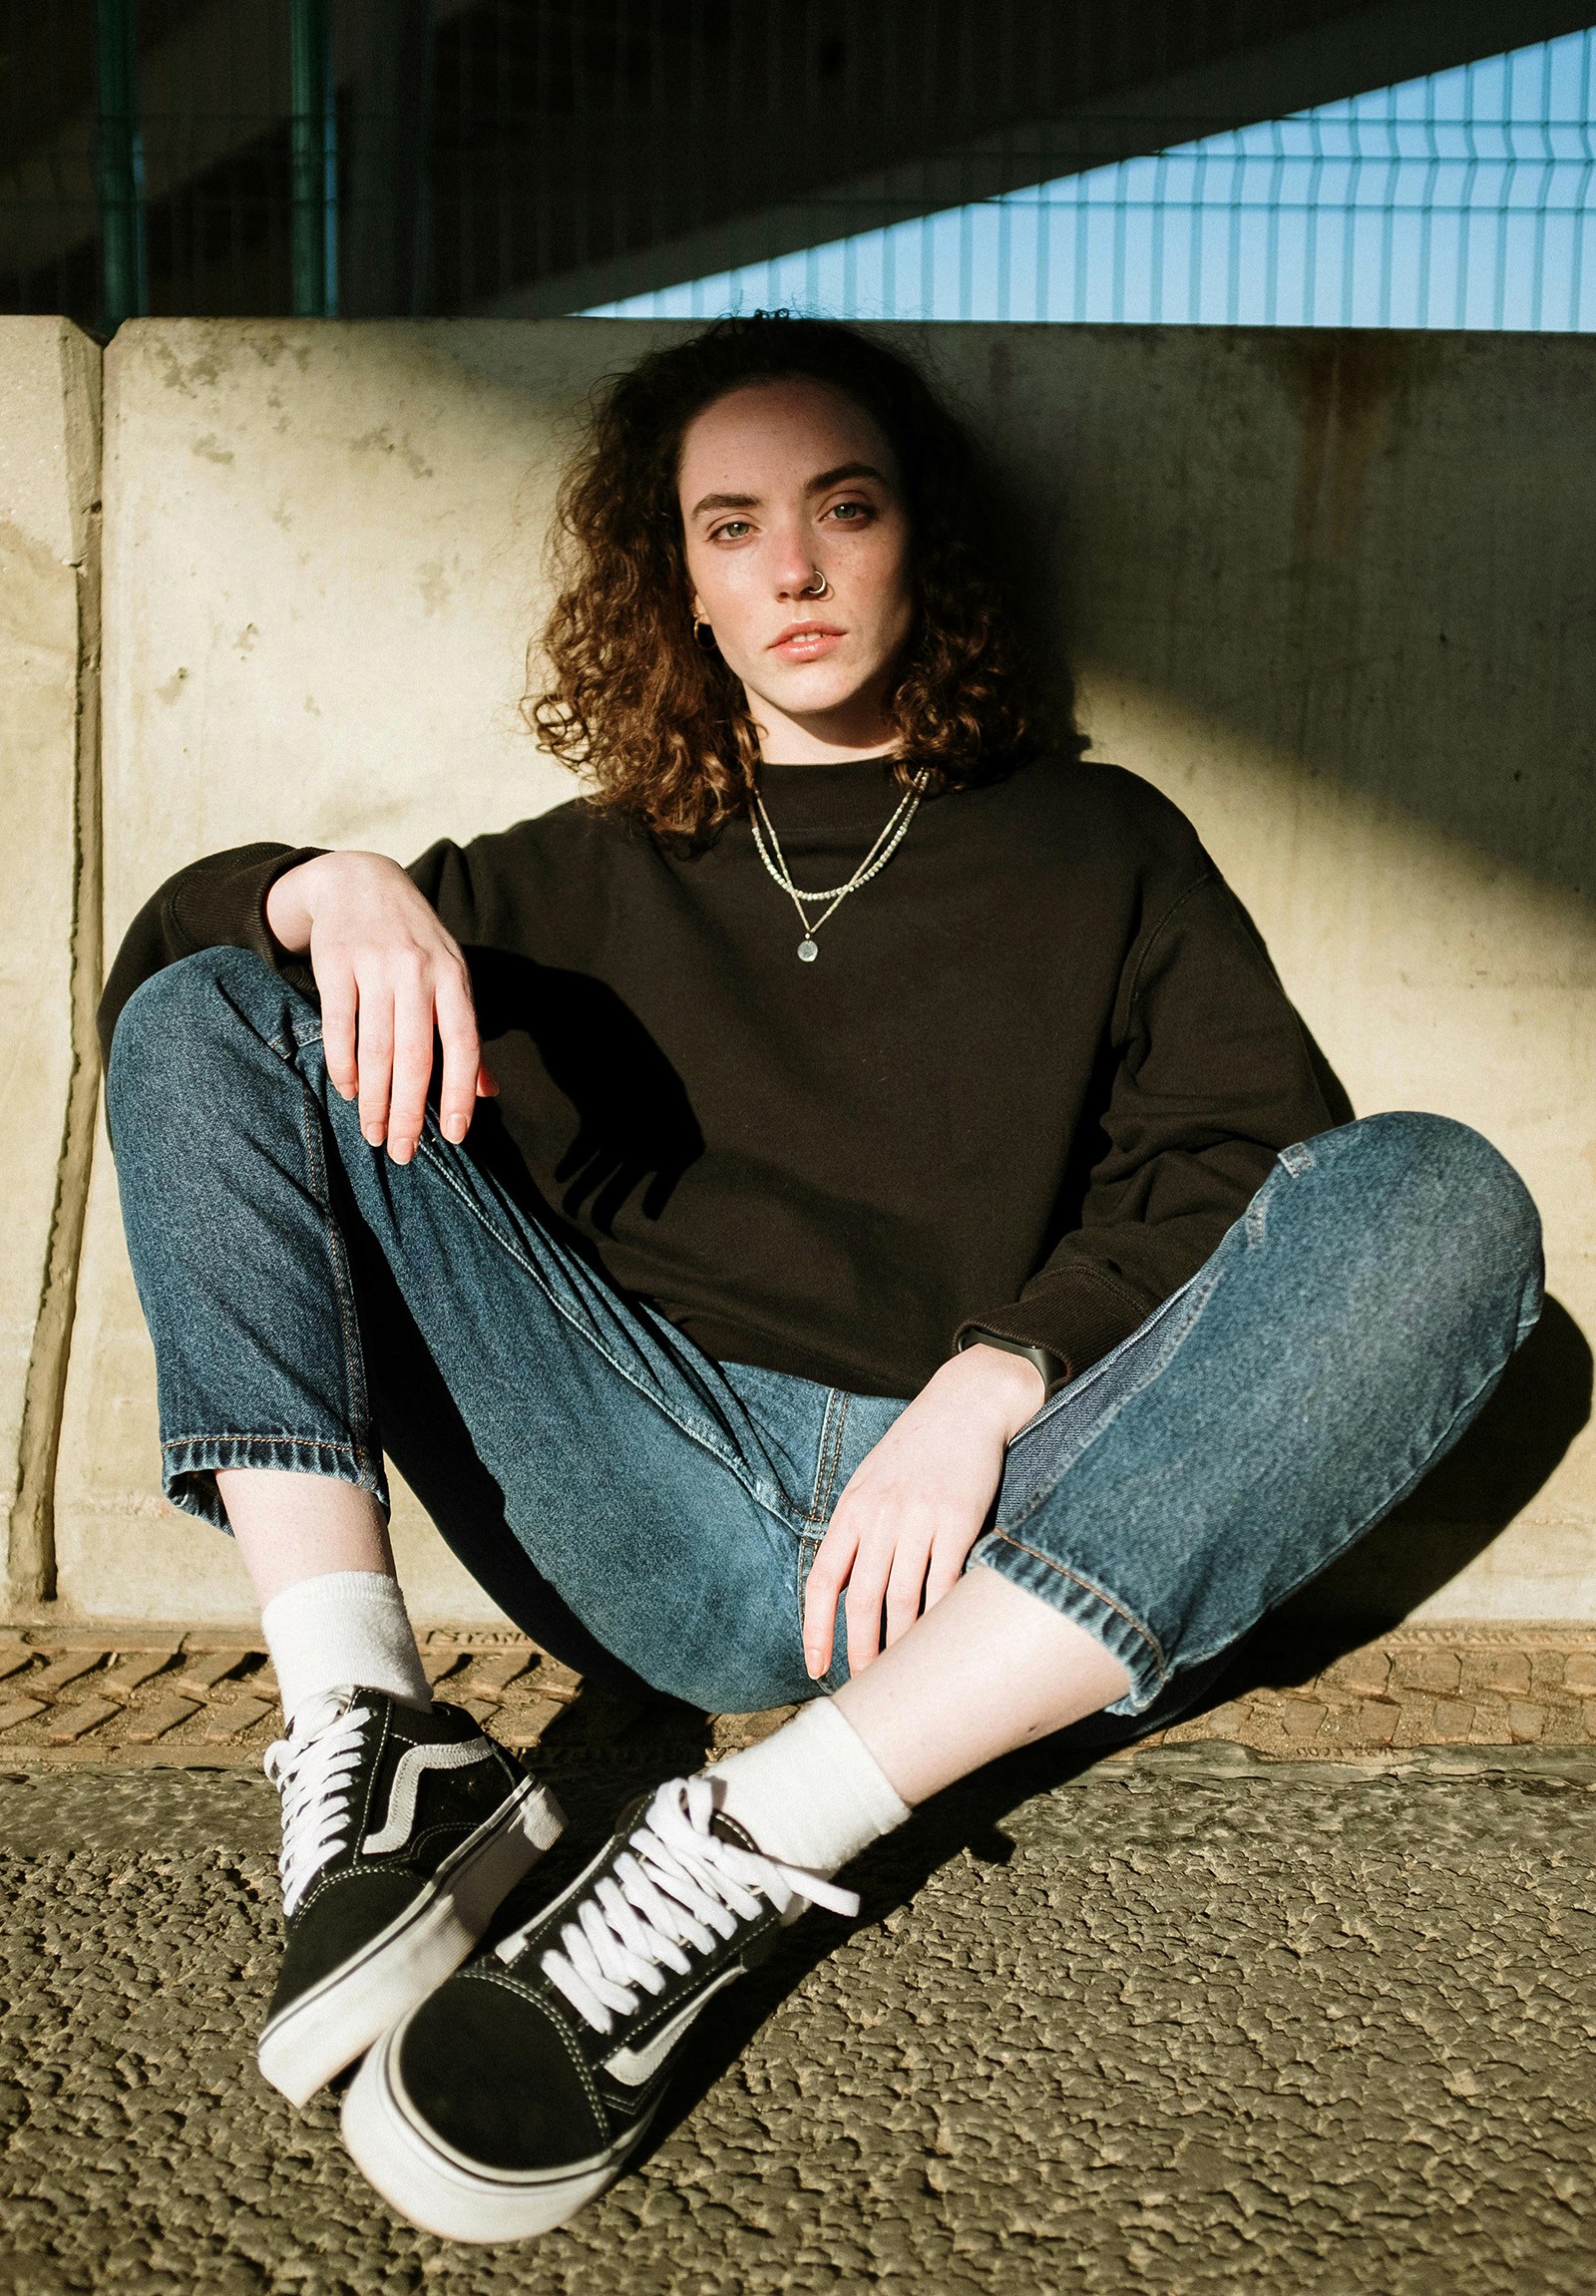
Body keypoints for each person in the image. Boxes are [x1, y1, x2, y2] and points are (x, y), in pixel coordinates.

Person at [99, 314, 1542, 2245]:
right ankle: (384, 1748)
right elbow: (173, 1018)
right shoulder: (574, 878)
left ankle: (758, 1837)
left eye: (842, 510)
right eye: (731, 528)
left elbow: (1245, 1165)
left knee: (1442, 1198)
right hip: (652, 1498)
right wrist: (318, 885)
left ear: (916, 538)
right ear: (678, 585)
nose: (790, 568)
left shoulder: (1097, 843)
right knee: (215, 1005)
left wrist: (998, 1376)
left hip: (989, 1538)